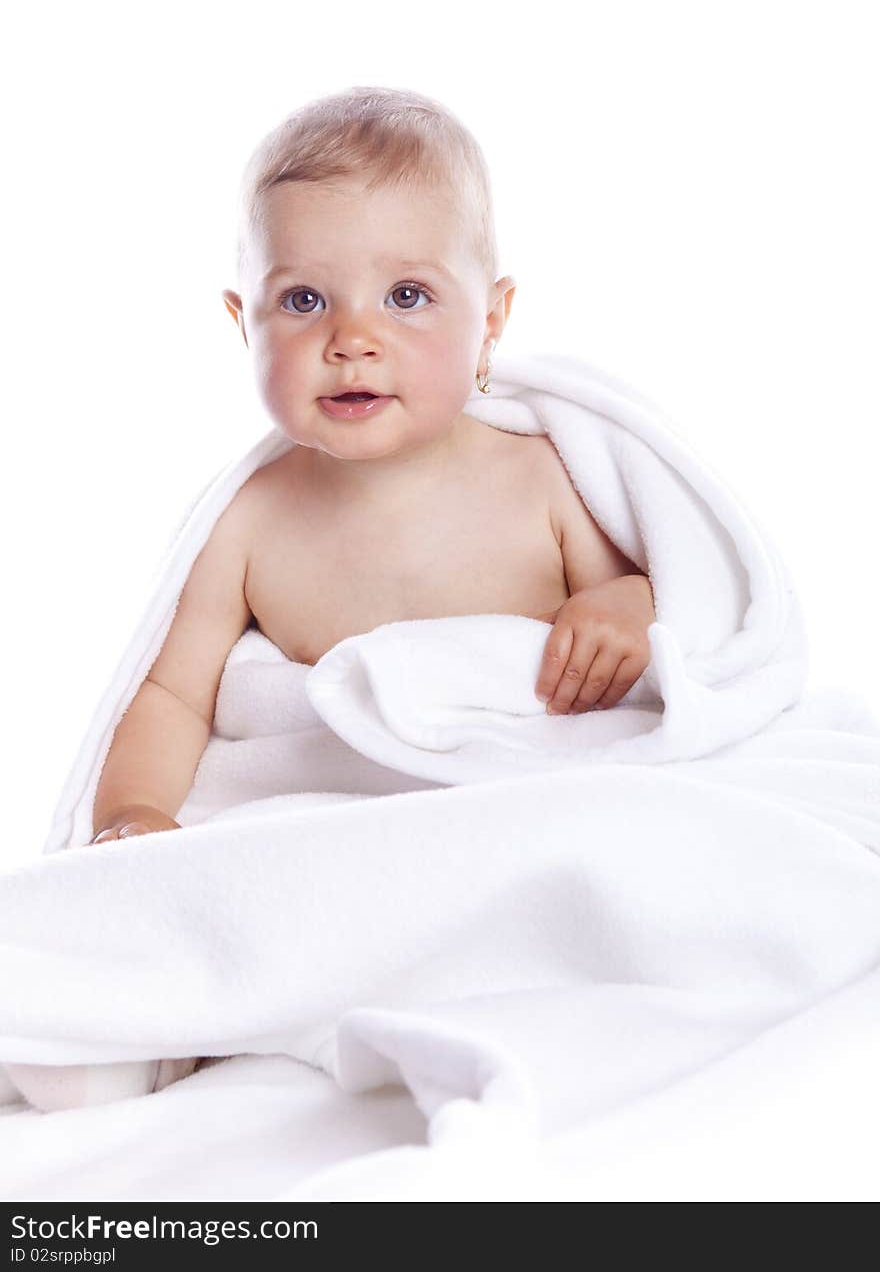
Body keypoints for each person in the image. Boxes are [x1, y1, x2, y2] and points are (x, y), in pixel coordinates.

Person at [7, 85, 656, 1110]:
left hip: (499, 828)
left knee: (616, 865)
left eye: (406, 296)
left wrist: (624, 608)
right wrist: (134, 815)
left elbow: (662, 602)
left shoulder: (542, 477)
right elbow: (175, 695)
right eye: (304, 300)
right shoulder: (255, 518)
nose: (352, 337)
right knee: (224, 891)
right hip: (328, 836)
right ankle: (143, 1025)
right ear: (243, 318)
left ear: (491, 318)